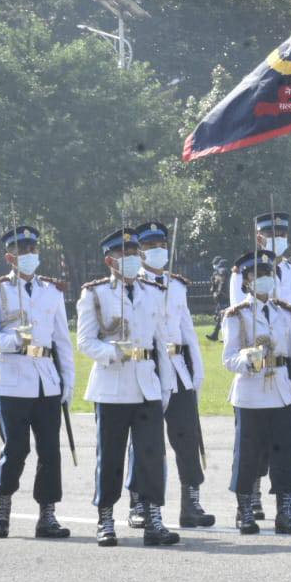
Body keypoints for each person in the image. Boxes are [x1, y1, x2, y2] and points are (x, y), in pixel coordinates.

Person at [76, 228, 179, 547]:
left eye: (135, 252)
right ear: (110, 260)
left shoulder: (153, 292)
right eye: (125, 254)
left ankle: (153, 518)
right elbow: (85, 341)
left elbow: (161, 342)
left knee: (151, 455)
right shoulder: (95, 294)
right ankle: (105, 519)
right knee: (110, 456)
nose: (132, 258)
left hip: (147, 384)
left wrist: (166, 385)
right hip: (112, 385)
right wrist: (111, 352)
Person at [0, 225, 76, 540]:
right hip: (11, 379)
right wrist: (14, 340)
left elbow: (62, 341)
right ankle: (3, 506)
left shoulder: (51, 291)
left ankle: (47, 515)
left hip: (46, 380)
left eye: (34, 249)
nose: (31, 255)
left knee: (50, 451)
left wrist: (67, 382)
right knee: (16, 448)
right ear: (10, 257)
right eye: (23, 251)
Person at [228, 212, 291, 522]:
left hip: (289, 367)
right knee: (252, 445)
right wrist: (248, 358)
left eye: (282, 233)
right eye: (272, 234)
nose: (278, 238)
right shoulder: (240, 279)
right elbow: (240, 324)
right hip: (254, 373)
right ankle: (252, 499)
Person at [127, 220, 213, 529]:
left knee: (188, 439)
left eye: (161, 245)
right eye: (150, 246)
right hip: (148, 370)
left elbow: (187, 330)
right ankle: (139, 504)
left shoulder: (177, 285)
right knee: (145, 444)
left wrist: (197, 371)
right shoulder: (133, 285)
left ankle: (191, 504)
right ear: (139, 252)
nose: (158, 251)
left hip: (178, 370)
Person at [222, 249, 291, 535]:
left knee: (285, 455)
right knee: (247, 455)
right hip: (251, 393)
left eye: (268, 274)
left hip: (281, 391)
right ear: (247, 281)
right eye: (257, 275)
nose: (264, 279)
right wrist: (247, 360)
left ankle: (284, 511)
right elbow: (228, 358)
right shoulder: (237, 315)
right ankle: (245, 510)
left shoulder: (284, 312)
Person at [204, 256, 229, 342]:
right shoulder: (224, 272)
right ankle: (217, 335)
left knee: (223, 316)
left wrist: (217, 292)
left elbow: (219, 285)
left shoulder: (221, 272)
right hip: (225, 297)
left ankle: (218, 335)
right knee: (221, 316)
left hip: (224, 297)